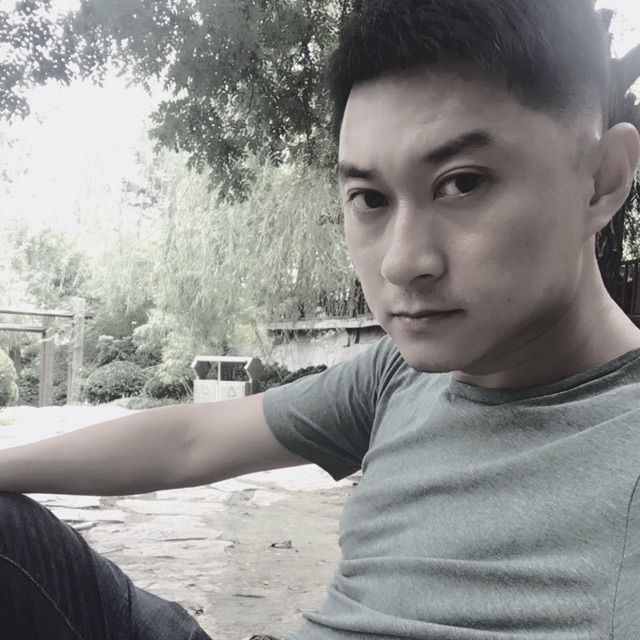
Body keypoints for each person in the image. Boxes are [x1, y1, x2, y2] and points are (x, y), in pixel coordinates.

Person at [2, 0, 640, 638]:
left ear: (603, 179)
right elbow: (189, 440)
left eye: (462, 183)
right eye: (370, 199)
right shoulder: (398, 378)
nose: (400, 263)